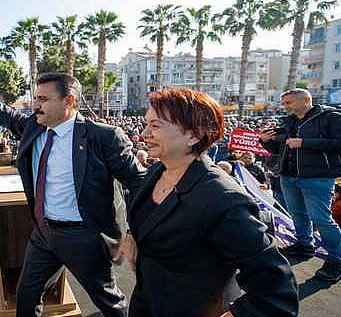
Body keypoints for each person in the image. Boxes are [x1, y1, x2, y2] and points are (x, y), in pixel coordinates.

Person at [0, 54, 146, 317]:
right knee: (27, 296)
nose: (35, 105)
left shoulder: (103, 137)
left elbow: (138, 182)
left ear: (70, 101)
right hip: (43, 234)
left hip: (85, 238)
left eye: (43, 99)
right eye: (35, 98)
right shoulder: (34, 126)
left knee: (109, 302)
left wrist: (134, 232)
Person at [124, 88, 298, 316]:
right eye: (146, 124)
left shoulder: (222, 198)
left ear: (194, 134)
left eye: (155, 126)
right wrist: (132, 237)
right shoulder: (156, 171)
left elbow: (277, 292)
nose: (144, 133)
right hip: (147, 302)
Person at [260, 88, 341, 282]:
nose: (285, 106)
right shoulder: (289, 122)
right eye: (284, 103)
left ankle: (337, 261)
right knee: (297, 214)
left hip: (318, 177)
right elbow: (279, 148)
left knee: (321, 218)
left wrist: (305, 143)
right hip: (288, 175)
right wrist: (265, 141)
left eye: (289, 103)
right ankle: (304, 245)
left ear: (306, 100)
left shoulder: (332, 117)